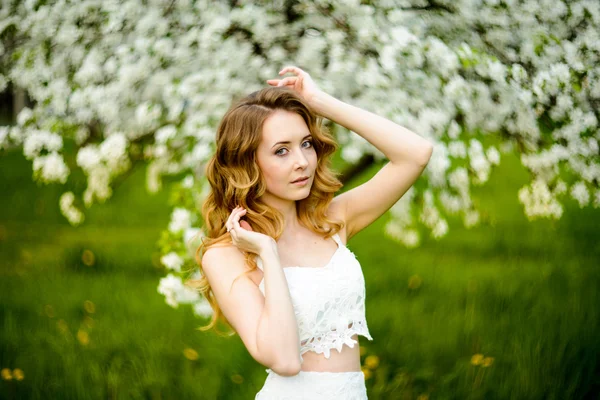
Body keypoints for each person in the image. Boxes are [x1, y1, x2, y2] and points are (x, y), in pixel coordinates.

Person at [194, 66, 433, 399]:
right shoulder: (224, 255)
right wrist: (267, 253)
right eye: (281, 150)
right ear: (247, 163)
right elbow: (285, 361)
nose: (303, 161)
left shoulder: (333, 220)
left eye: (306, 144)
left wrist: (320, 102)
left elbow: (415, 153)